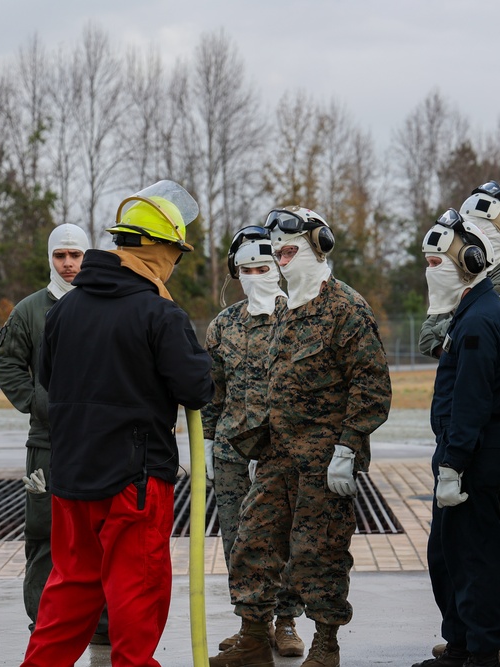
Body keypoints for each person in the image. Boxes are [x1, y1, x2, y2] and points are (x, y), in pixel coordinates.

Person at [21, 180, 215, 667]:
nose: (176, 262)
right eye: (175, 252)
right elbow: (196, 388)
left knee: (69, 589)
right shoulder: (158, 313)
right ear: (154, 248)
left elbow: (47, 377)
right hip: (135, 481)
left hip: (71, 477)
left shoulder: (65, 310)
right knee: (137, 591)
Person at [212, 206, 392, 667]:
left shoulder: (345, 309)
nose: (282, 257)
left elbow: (372, 386)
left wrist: (348, 448)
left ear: (318, 246)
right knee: (252, 541)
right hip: (277, 454)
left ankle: (325, 644)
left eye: (290, 247)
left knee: (319, 554)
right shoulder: (284, 308)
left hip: (324, 460)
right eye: (277, 250)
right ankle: (253, 638)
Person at [419, 182, 500, 667]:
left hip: (498, 420)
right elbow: (435, 333)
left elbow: (442, 340)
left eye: (483, 227)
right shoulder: (478, 288)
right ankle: (471, 632)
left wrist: (444, 322)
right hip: (470, 420)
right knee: (457, 539)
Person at [0, 223, 112, 643]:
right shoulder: (29, 311)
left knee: (98, 532)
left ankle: (100, 625)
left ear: (87, 256)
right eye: (61, 256)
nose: (68, 264)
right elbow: (8, 364)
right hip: (48, 445)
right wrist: (39, 404)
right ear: (51, 258)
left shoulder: (105, 303)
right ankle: (44, 620)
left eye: (76, 255)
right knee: (44, 533)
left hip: (98, 443)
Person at [202, 225, 305, 657]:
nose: (255, 276)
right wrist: (207, 443)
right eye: (246, 270)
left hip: (280, 453)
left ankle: (285, 622)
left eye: (264, 267)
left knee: (283, 539)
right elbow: (213, 391)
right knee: (236, 540)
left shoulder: (298, 315)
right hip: (230, 450)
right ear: (235, 273)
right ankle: (252, 626)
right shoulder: (223, 326)